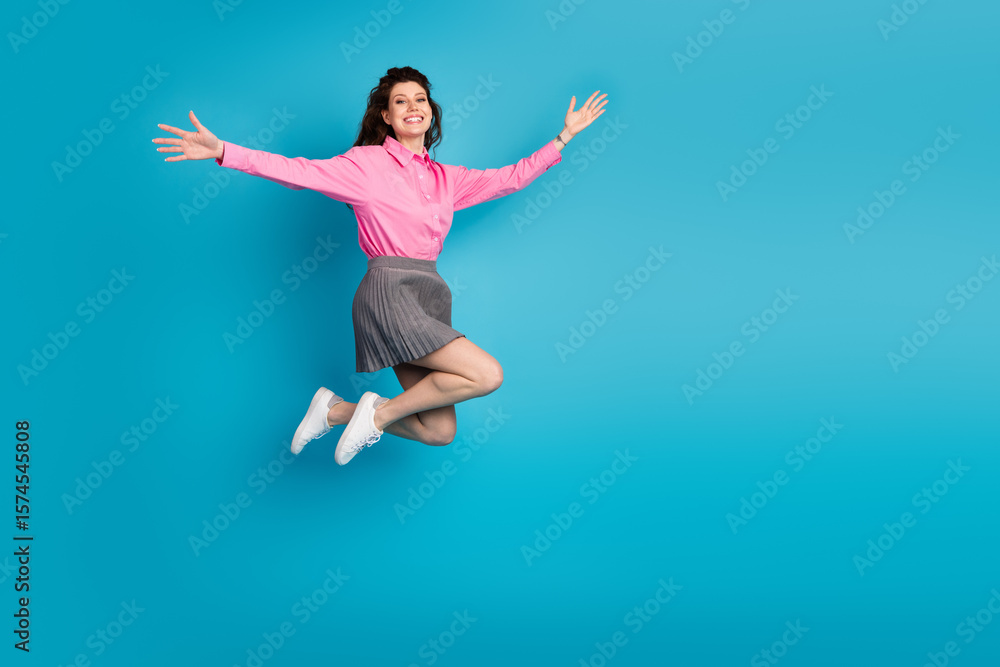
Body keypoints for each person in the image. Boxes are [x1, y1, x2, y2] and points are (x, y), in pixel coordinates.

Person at [154, 66, 608, 466]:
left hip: (430, 294)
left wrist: (563, 137)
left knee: (438, 431)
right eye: (401, 101)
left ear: (431, 112)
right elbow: (297, 171)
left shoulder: (447, 179)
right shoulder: (365, 165)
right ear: (386, 117)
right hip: (388, 290)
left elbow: (509, 179)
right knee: (487, 374)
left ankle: (335, 411)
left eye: (420, 99)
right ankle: (378, 413)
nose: (413, 107)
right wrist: (223, 150)